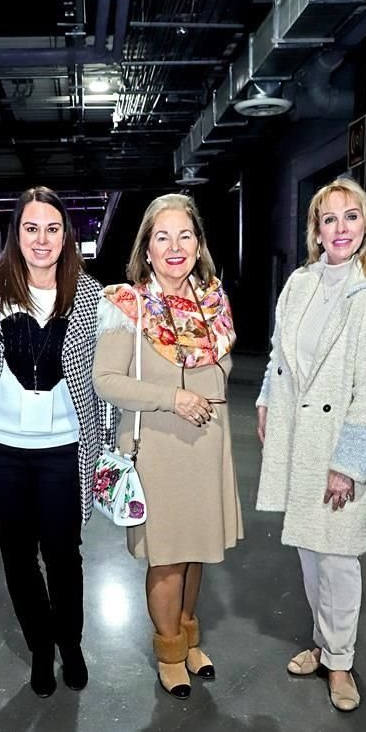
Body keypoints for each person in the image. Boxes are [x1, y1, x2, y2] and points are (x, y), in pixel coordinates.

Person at [255, 177, 366, 712]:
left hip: (340, 448)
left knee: (339, 558)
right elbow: (278, 353)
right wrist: (266, 402)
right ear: (316, 231)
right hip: (300, 440)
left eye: (350, 217)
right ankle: (323, 643)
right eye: (329, 219)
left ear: (365, 227)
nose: (339, 228)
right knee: (309, 552)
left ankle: (340, 662)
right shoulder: (299, 283)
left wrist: (348, 466)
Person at [92, 193, 243, 700]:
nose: (175, 246)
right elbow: (105, 381)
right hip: (157, 448)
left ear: (199, 244)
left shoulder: (214, 301)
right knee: (168, 558)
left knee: (196, 553)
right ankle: (169, 651)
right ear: (147, 249)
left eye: (185, 235)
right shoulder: (124, 305)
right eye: (163, 237)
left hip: (207, 447)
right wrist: (171, 397)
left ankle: (189, 636)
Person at [0, 186, 103, 698]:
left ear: (66, 235)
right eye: (31, 228)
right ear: (16, 235)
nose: (42, 239)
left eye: (52, 228)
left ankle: (69, 642)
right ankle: (40, 648)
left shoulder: (89, 294)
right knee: (17, 557)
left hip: (62, 448)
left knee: (64, 555)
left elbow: (100, 378)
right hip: (0, 446)